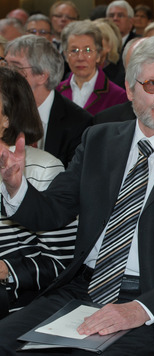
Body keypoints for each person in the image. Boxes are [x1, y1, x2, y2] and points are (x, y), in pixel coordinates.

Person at [0, 33, 154, 355]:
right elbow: (53, 211)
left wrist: (141, 309)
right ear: (129, 89)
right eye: (153, 84)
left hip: (152, 305)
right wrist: (16, 186)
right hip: (81, 288)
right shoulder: (99, 139)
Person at [0, 66, 76, 318]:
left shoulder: (43, 168)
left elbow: (62, 262)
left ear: (6, 118)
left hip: (15, 301)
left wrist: (5, 269)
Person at [4, 35, 92, 168]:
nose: (6, 74)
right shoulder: (3, 111)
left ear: (42, 76)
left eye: (16, 68)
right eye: (4, 65)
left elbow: (72, 179)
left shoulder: (79, 123)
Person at [56, 20, 128, 115]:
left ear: (98, 55)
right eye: (74, 50)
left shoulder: (118, 96)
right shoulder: (56, 92)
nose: (80, 57)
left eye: (88, 50)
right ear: (65, 55)